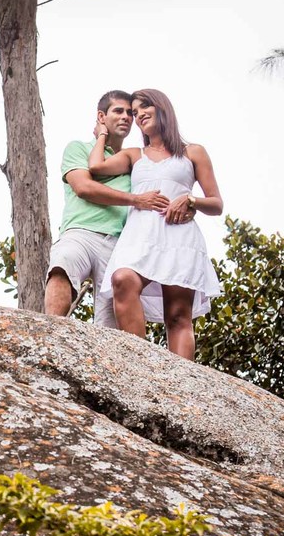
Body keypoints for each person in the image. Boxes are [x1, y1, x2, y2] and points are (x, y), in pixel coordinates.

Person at [88, 88, 223, 360]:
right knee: (123, 279)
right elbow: (96, 167)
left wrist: (190, 200)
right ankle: (141, 366)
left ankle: (183, 384)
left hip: (179, 236)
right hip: (140, 235)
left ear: (162, 107)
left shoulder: (192, 152)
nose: (138, 116)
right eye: (135, 112)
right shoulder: (135, 155)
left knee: (177, 316)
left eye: (144, 107)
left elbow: (217, 204)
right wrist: (101, 132)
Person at [45, 90, 174, 326]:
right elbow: (84, 187)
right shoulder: (78, 149)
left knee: (110, 322)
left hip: (120, 244)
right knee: (63, 263)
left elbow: (164, 187)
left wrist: (190, 205)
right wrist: (136, 200)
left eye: (130, 113)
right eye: (118, 111)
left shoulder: (135, 161)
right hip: (81, 232)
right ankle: (51, 333)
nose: (126, 117)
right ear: (101, 116)